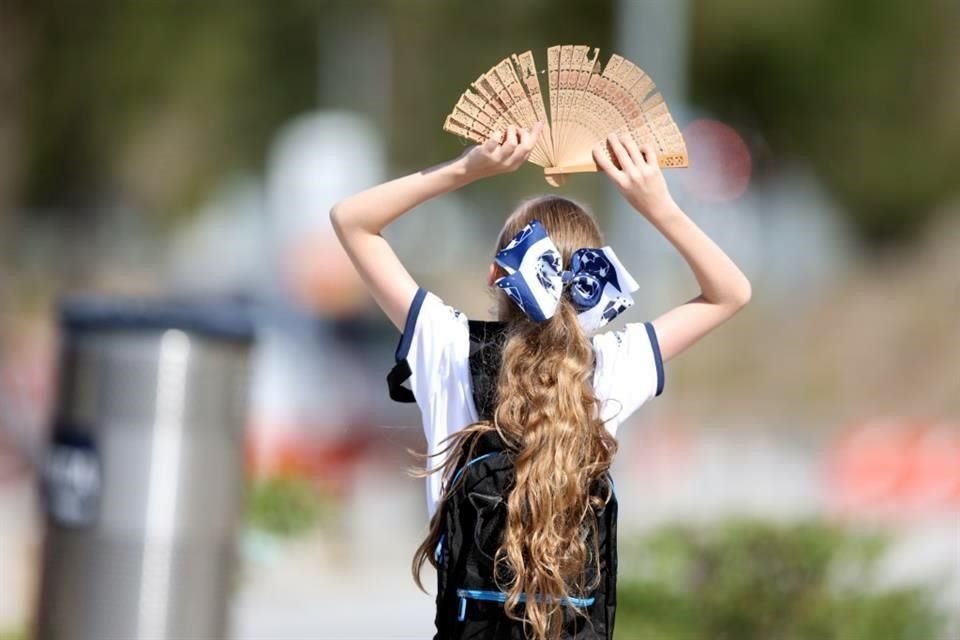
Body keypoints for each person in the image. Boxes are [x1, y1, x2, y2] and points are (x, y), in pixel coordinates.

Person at [330, 124, 751, 639]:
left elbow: (351, 221)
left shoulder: (447, 344)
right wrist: (656, 205)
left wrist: (469, 169)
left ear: (495, 274)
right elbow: (730, 292)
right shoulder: (610, 363)